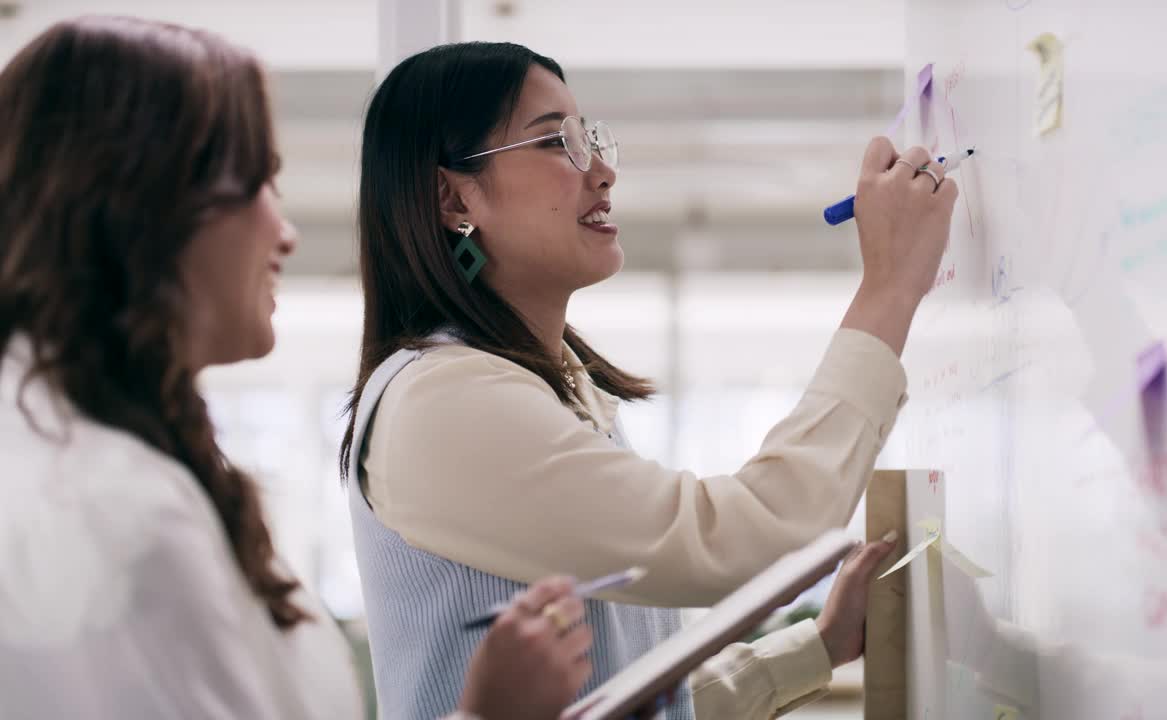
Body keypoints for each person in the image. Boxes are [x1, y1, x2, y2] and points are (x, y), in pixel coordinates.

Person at [0, 17, 593, 720]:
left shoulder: (96, 463)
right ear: (143, 202)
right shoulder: (119, 515)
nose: (285, 232)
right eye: (257, 184)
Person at [342, 41, 956, 718]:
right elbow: (746, 539)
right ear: (450, 195)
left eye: (591, 139)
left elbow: (618, 700)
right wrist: (891, 288)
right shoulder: (445, 404)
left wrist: (816, 647)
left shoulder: (547, 390)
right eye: (555, 143)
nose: (602, 172)